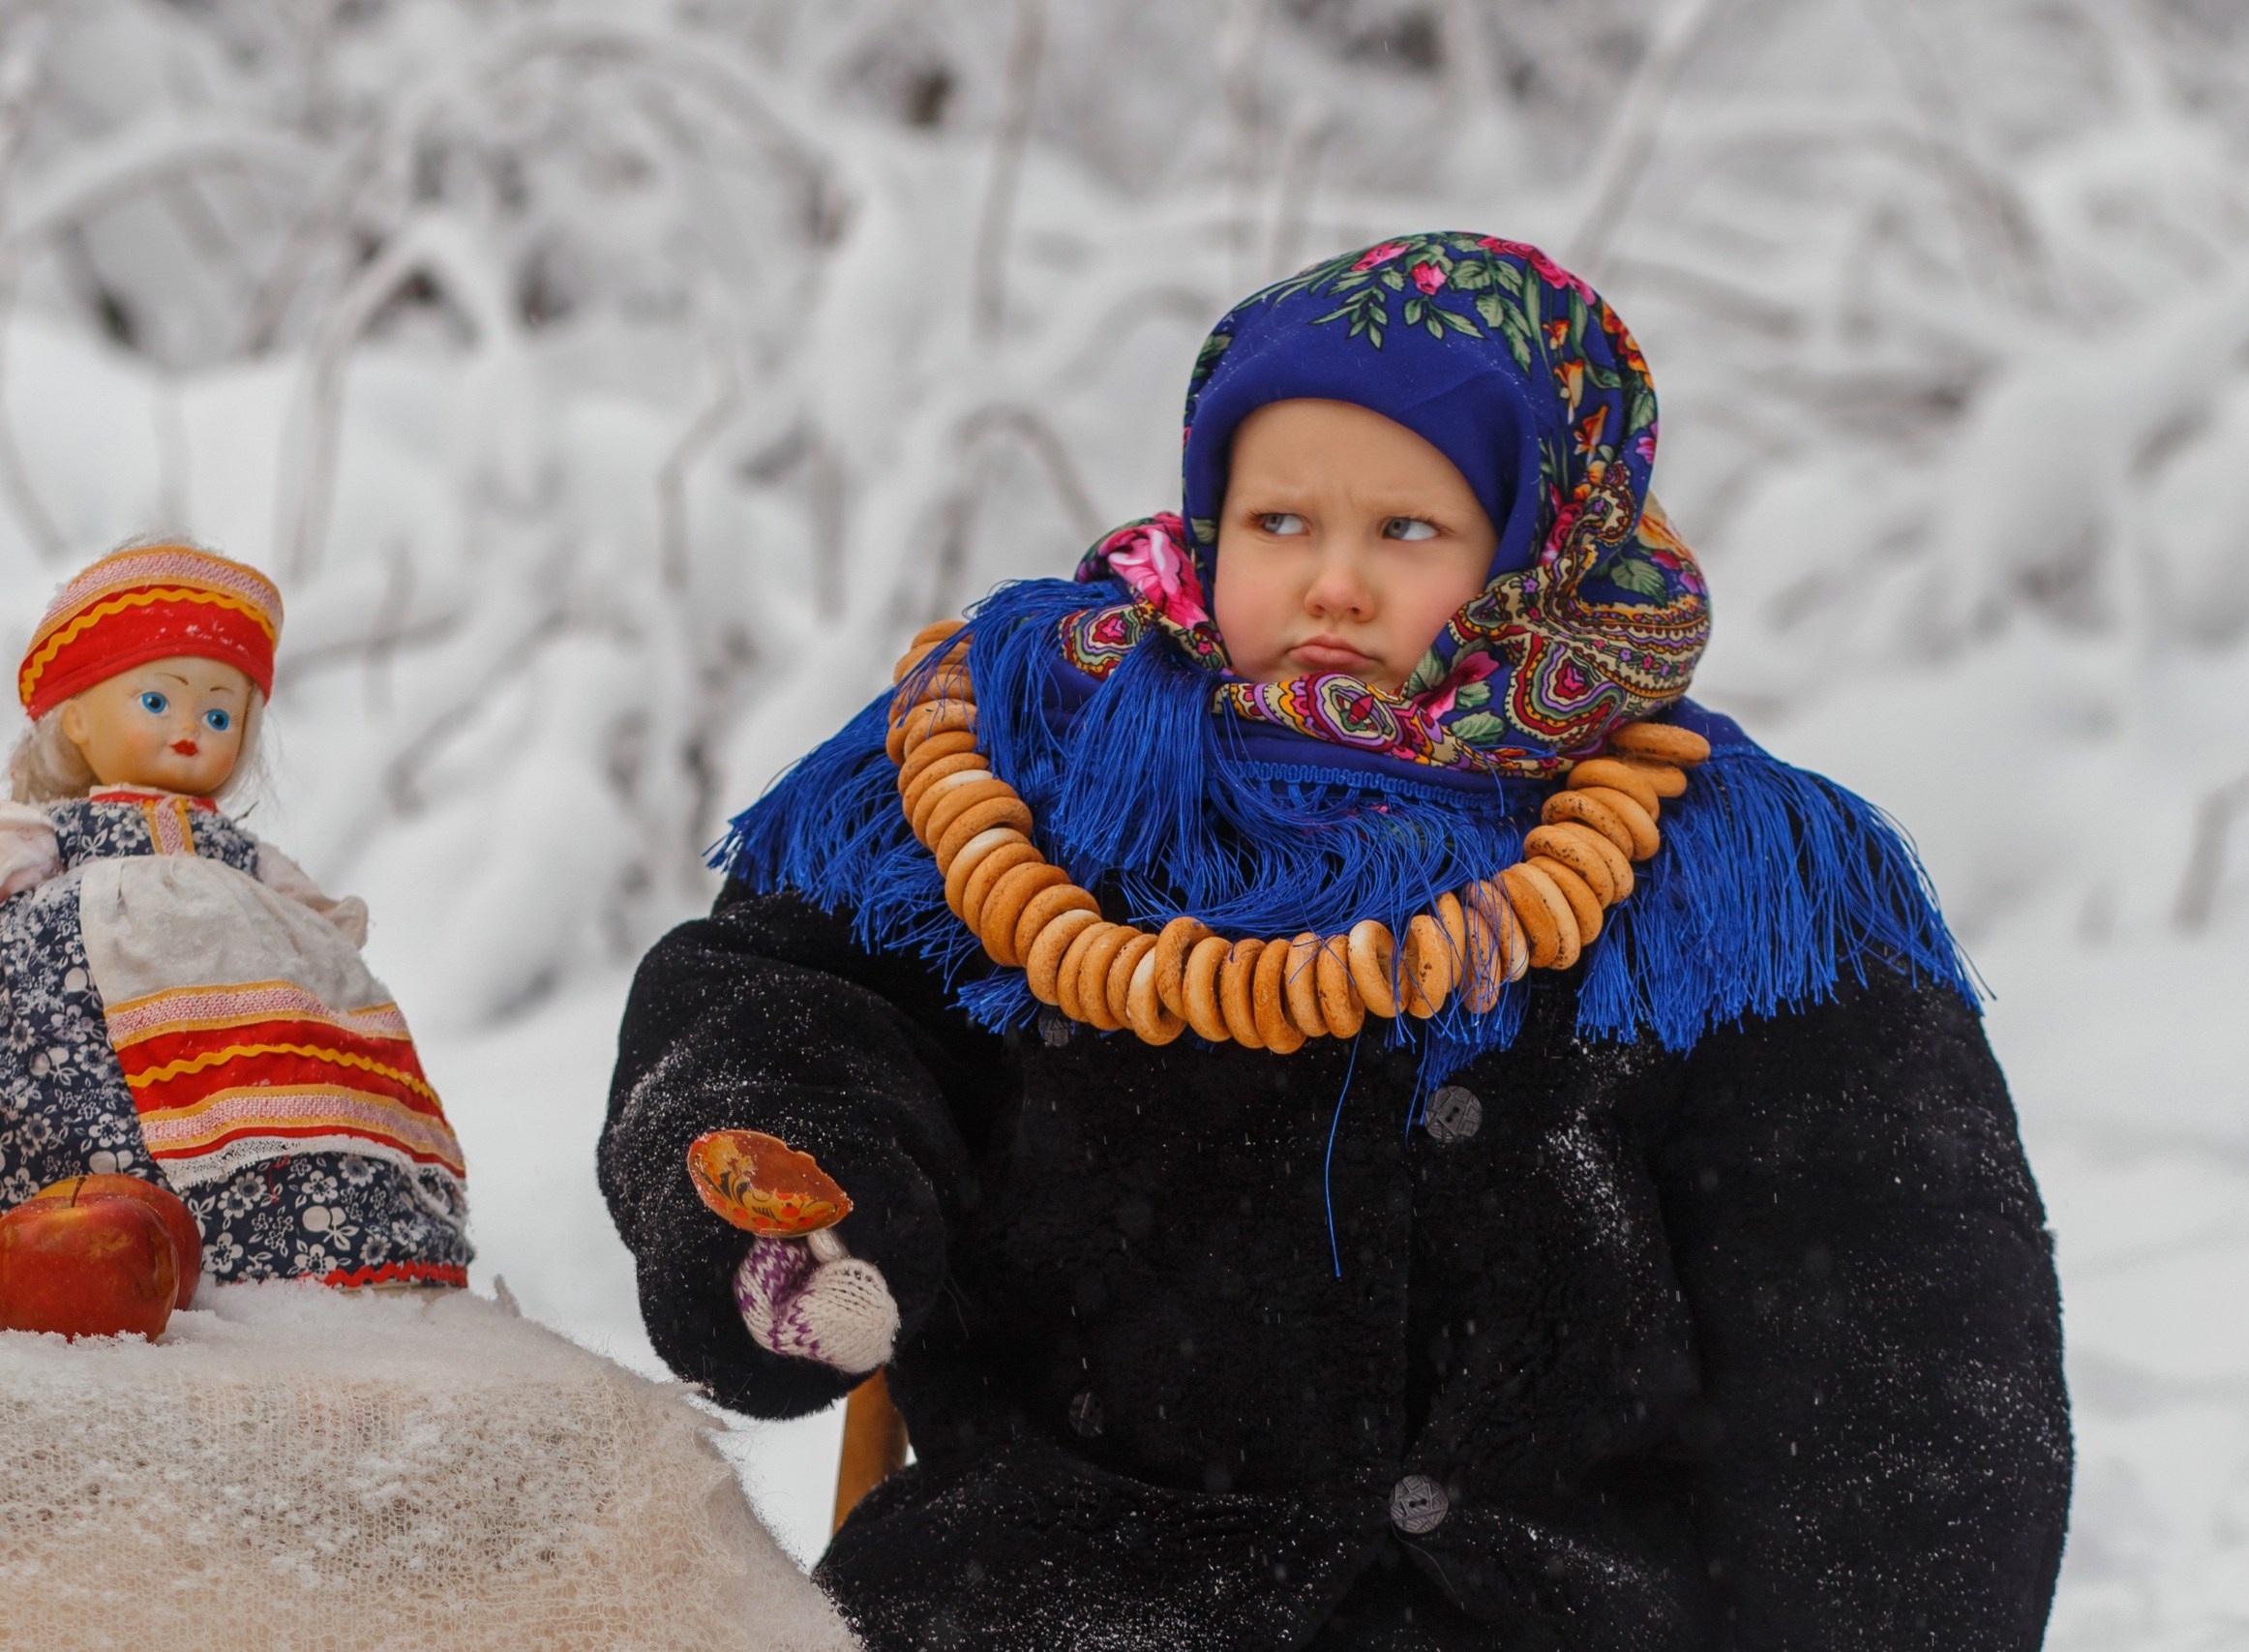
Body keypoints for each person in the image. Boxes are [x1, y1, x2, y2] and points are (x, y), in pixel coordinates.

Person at [600, 233, 2069, 1649]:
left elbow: (1906, 1385)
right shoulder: (1033, 769)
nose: (1332, 584)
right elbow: (790, 1002)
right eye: (1279, 522)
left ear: (1540, 540)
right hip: (1040, 1593)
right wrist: (797, 1197)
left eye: (1408, 530)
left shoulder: (1742, 884)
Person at [0, 541, 469, 1288]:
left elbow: (314, 914)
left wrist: (321, 948)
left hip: (245, 1003)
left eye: (219, 713)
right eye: (156, 700)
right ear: (79, 723)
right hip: (89, 991)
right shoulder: (52, 836)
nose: (189, 729)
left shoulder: (240, 859)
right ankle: (84, 1238)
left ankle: (309, 1239)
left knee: (295, 1085)